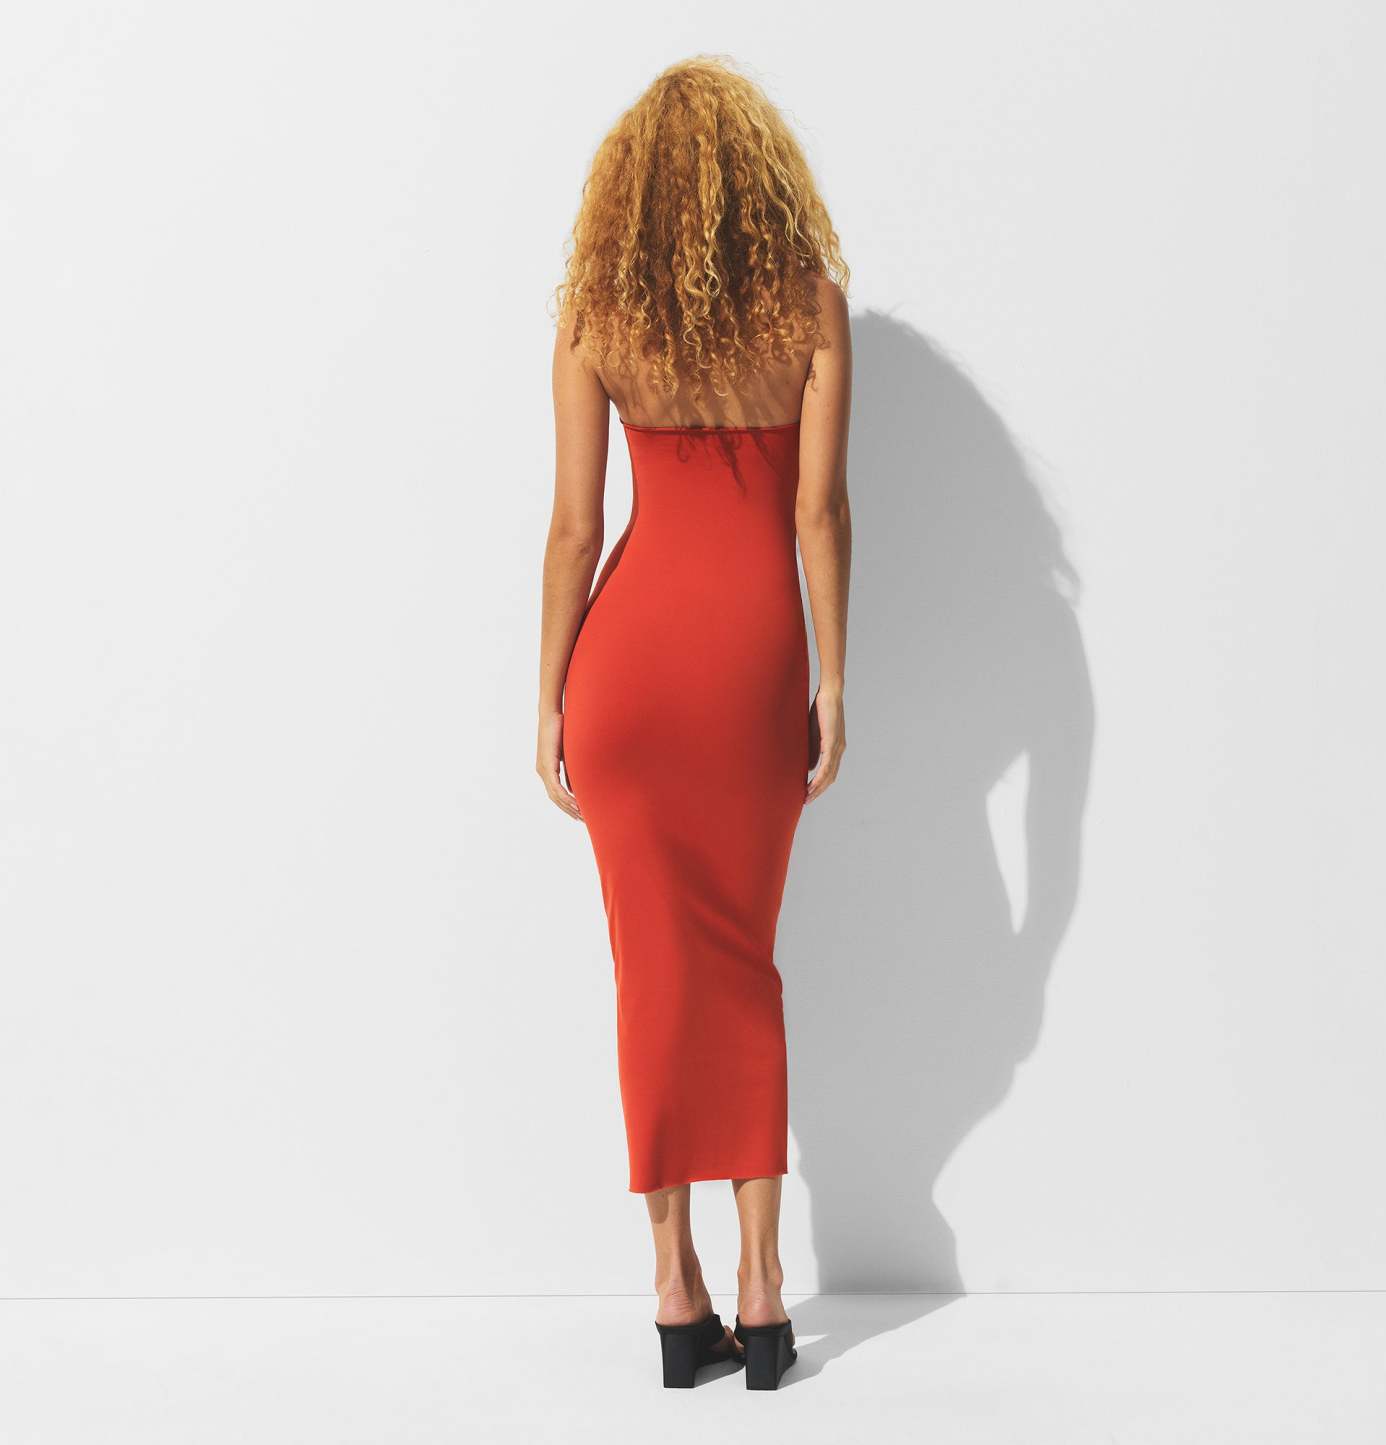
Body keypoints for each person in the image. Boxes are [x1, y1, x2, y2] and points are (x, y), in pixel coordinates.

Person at [536, 55, 852, 1390]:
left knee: (651, 972)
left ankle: (677, 1296)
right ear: (756, 176)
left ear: (627, 190)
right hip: (748, 668)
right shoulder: (810, 304)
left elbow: (574, 529)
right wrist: (831, 679)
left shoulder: (595, 316)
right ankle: (765, 1295)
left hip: (625, 672)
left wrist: (548, 698)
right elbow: (816, 513)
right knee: (742, 962)